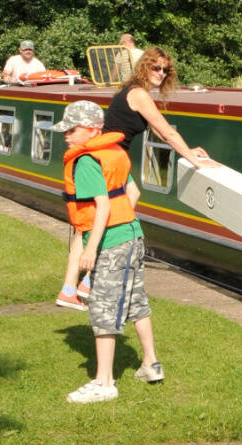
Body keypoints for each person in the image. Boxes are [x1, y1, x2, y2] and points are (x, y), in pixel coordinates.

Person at [54, 45, 212, 309]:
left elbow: (160, 133)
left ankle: (79, 285)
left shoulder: (133, 90)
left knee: (124, 201)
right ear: (144, 66)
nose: (161, 73)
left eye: (165, 69)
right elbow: (166, 132)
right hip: (107, 157)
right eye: (156, 67)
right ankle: (75, 286)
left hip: (112, 155)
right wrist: (193, 160)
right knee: (92, 223)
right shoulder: (138, 94)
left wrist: (189, 150)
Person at [52, 100, 163, 402]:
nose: (66, 135)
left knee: (102, 308)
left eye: (71, 130)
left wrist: (90, 247)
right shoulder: (114, 152)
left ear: (90, 130)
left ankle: (104, 383)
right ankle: (151, 364)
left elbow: (101, 206)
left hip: (112, 243)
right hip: (133, 236)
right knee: (135, 301)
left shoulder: (87, 160)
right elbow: (133, 193)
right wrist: (123, 218)